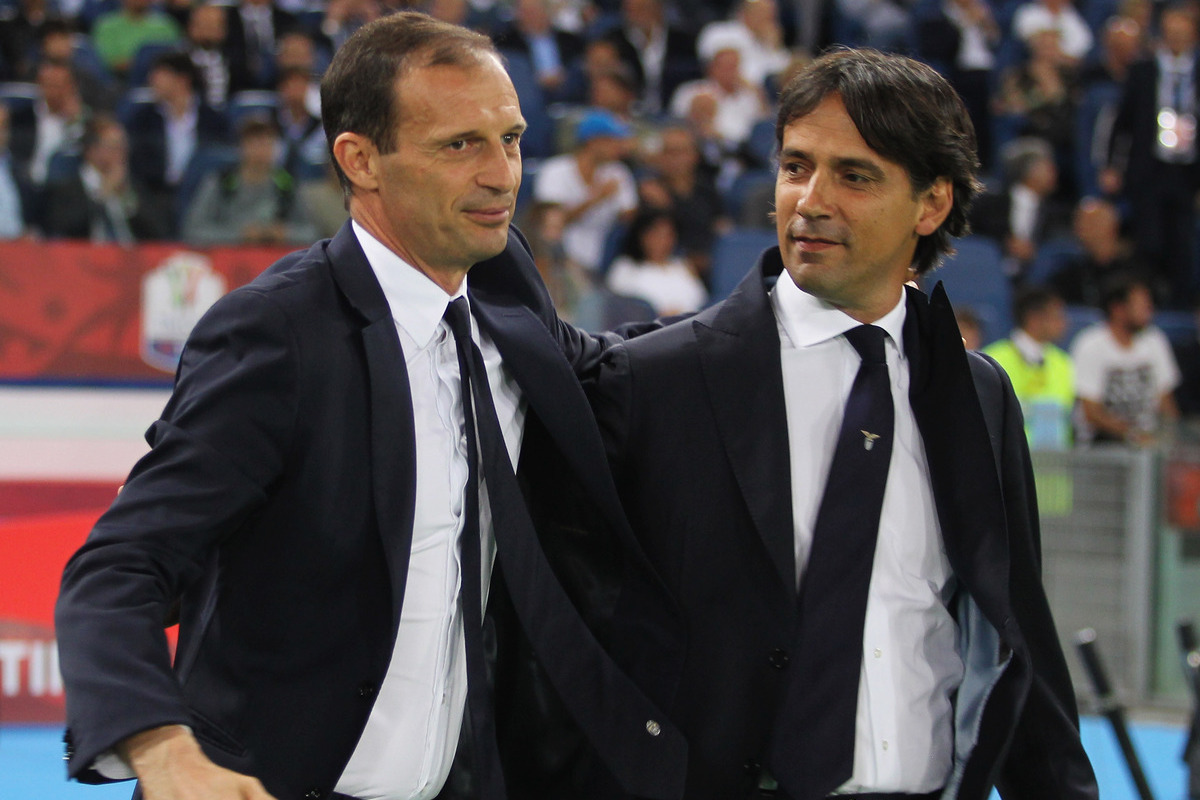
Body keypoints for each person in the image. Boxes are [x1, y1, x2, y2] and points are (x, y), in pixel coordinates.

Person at [55, 12, 685, 800]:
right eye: (460, 145)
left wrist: (790, 309)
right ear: (361, 160)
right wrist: (162, 748)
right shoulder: (277, 335)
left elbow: (612, 369)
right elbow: (119, 566)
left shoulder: (499, 280)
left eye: (512, 138)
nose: (502, 175)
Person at [585, 48, 1098, 800]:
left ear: (930, 204)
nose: (810, 200)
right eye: (797, 167)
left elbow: (1017, 637)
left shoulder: (977, 394)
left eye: (854, 176)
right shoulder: (659, 380)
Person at [1102, 3, 1200, 306]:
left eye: (1182, 33)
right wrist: (1111, 165)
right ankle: (1144, 304)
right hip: (1149, 169)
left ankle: (1180, 309)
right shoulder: (1143, 70)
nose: (1176, 38)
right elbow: (1122, 122)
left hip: (1187, 172)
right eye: (1171, 32)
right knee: (1148, 244)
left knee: (1183, 246)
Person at [1070, 273, 1181, 444]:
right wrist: (1132, 435)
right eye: (1142, 305)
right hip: (1101, 446)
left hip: (1147, 443)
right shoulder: (1090, 345)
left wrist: (1171, 438)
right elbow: (1090, 411)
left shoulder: (1155, 340)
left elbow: (1166, 401)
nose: (1149, 310)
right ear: (1118, 309)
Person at [181, 116, 316, 247]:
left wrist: (285, 234)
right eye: (255, 141)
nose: (261, 149)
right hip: (229, 258)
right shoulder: (220, 182)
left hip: (275, 260)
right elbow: (193, 230)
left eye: (268, 141)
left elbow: (312, 232)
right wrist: (239, 235)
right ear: (241, 146)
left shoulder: (288, 185)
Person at [532, 109, 638, 274]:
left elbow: (630, 221)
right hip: (559, 262)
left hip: (605, 262)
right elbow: (550, 224)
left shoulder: (618, 173)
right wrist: (595, 199)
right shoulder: (555, 170)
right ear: (593, 142)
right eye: (612, 141)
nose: (619, 146)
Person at [40, 113, 169, 242]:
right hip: (86, 258)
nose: (121, 153)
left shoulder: (134, 187)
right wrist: (102, 196)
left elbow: (158, 233)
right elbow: (65, 229)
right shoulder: (66, 190)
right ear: (91, 150)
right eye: (114, 147)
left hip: (129, 257)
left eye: (124, 146)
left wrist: (127, 199)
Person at [984, 285, 1075, 450]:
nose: (1064, 323)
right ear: (1034, 319)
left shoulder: (1064, 363)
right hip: (1011, 464)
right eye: (1057, 316)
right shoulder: (991, 360)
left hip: (1057, 468)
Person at [605, 207, 708, 315]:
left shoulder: (683, 266)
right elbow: (618, 309)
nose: (662, 241)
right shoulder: (624, 267)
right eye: (656, 234)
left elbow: (703, 302)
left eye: (668, 235)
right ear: (641, 235)